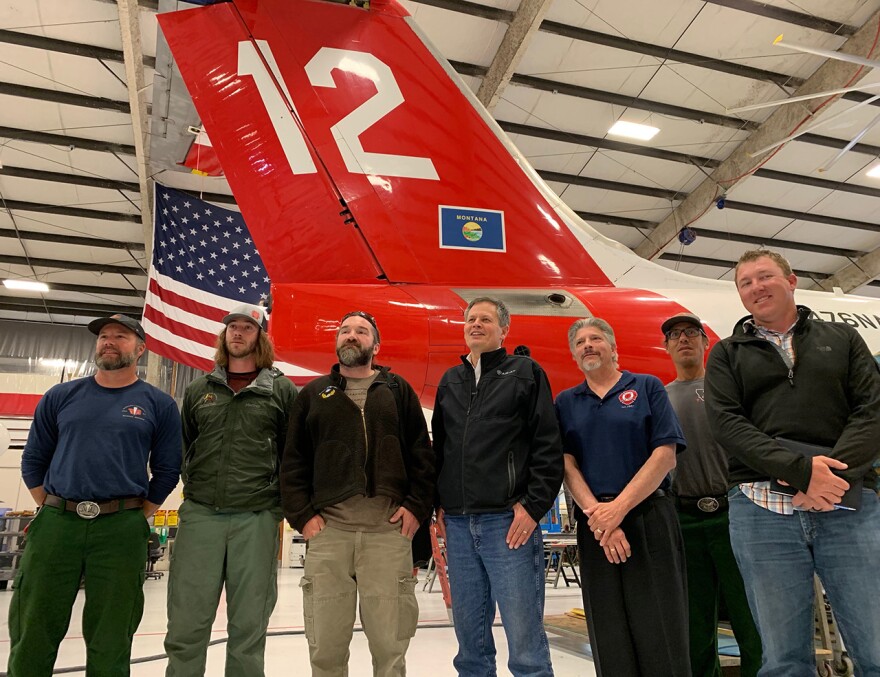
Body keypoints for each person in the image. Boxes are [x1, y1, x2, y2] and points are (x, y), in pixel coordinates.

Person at [705, 250, 880, 676]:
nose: (756, 287)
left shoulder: (842, 339)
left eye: (764, 276)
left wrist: (829, 476)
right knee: (783, 659)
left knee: (875, 646)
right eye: (745, 283)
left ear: (792, 280)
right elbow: (728, 425)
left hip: (848, 504)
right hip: (762, 511)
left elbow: (872, 411)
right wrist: (802, 472)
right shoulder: (726, 354)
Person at [9, 314, 181, 677]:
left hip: (120, 528)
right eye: (104, 336)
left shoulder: (158, 404)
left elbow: (167, 470)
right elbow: (33, 460)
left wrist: (136, 514)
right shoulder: (61, 396)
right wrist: (51, 506)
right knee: (34, 623)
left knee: (112, 631)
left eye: (121, 336)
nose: (109, 341)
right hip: (57, 525)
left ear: (140, 349)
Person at [281, 310, 434, 677]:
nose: (352, 335)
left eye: (361, 331)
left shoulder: (398, 391)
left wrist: (415, 508)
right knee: (326, 650)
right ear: (336, 343)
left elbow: (423, 457)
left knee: (390, 650)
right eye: (345, 330)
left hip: (388, 536)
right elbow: (291, 462)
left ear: (375, 346)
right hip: (329, 536)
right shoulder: (315, 395)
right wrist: (304, 516)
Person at [432, 297, 562, 677]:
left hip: (508, 524)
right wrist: (438, 504)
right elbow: (440, 448)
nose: (475, 324)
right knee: (470, 644)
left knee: (525, 643)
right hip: (457, 524)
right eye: (470, 319)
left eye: (485, 319)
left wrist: (533, 506)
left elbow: (548, 445)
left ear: (503, 330)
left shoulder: (526, 372)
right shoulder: (449, 381)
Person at [165, 303, 297, 676]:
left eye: (247, 327)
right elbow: (186, 445)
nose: (238, 333)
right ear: (224, 336)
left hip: (256, 517)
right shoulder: (198, 389)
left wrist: (281, 507)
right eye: (232, 327)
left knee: (249, 622)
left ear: (261, 337)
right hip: (202, 515)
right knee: (187, 620)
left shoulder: (282, 390)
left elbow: (293, 455)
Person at [555, 317, 689, 677]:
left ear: (613, 348)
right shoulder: (566, 402)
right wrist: (599, 515)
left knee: (660, 623)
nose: (587, 345)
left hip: (648, 516)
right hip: (595, 523)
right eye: (580, 342)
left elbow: (665, 454)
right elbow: (566, 463)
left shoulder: (646, 387)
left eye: (595, 338)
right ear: (574, 355)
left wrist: (618, 509)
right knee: (608, 627)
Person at [662, 312, 761, 677]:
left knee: (749, 612)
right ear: (667, 347)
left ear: (706, 343)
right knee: (694, 619)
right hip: (683, 518)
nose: (683, 339)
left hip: (733, 512)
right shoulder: (659, 398)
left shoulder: (728, 392)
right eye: (675, 335)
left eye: (691, 333)